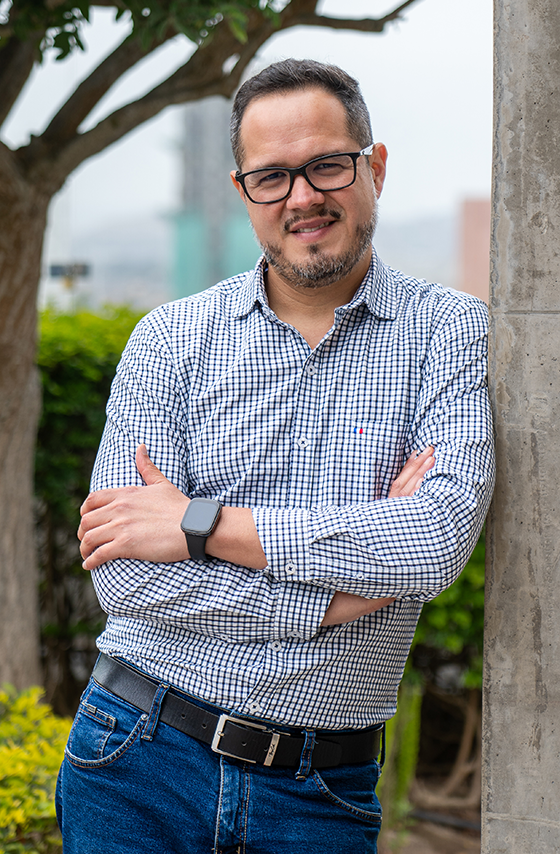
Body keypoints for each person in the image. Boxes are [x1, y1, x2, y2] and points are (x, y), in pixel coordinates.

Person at [55, 59, 495, 854]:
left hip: (320, 793)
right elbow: (124, 575)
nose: (302, 197)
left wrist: (198, 524)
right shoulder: (169, 340)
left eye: (327, 165)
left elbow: (432, 541)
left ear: (375, 168)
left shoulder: (451, 332)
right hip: (136, 758)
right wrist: (338, 598)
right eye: (272, 176)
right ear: (243, 192)